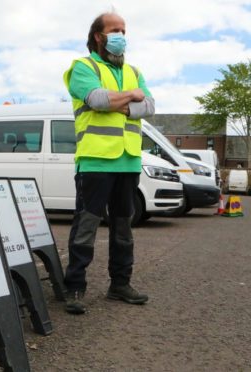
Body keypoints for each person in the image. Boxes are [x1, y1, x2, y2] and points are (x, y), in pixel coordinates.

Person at [62, 12, 155, 314]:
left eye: (124, 30)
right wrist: (131, 97)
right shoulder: (82, 67)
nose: (121, 35)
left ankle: (120, 284)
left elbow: (150, 106)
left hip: (127, 162)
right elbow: (97, 100)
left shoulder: (134, 70)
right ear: (99, 36)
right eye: (115, 30)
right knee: (86, 225)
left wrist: (123, 106)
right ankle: (74, 287)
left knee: (123, 227)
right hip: (95, 162)